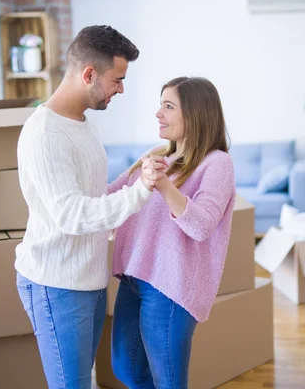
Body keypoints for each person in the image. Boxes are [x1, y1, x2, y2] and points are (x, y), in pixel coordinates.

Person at [14, 25, 167, 389]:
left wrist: (135, 176)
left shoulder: (83, 125)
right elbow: (72, 215)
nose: (121, 89)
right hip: (57, 284)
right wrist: (140, 191)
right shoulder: (44, 135)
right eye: (117, 79)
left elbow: (93, 195)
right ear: (88, 74)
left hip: (88, 279)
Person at [108, 76, 236, 388]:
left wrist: (163, 185)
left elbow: (203, 224)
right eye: (160, 104)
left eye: (168, 106)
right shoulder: (158, 155)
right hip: (135, 278)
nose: (158, 114)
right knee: (126, 368)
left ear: (194, 115)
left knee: (169, 382)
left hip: (171, 288)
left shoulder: (217, 163)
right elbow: (112, 194)